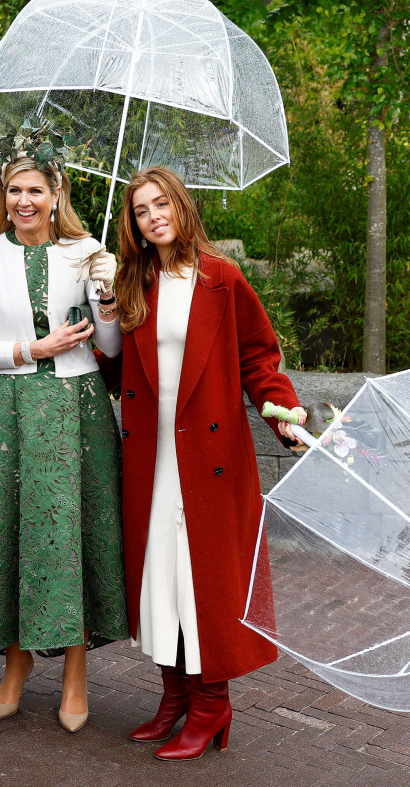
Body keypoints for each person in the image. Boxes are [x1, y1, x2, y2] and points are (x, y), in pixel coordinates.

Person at [114, 167, 305, 761]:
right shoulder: (133, 282)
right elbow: (114, 365)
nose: (153, 216)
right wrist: (100, 316)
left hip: (209, 455)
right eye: (142, 210)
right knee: (160, 575)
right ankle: (174, 698)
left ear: (181, 207)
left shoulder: (220, 279)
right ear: (136, 226)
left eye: (161, 203)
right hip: (151, 452)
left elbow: (258, 358)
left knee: (204, 581)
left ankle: (211, 704)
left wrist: (286, 415)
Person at [0, 144, 127, 733]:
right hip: (11, 411)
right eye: (14, 191)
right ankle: (16, 664)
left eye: (36, 191)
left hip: (78, 411)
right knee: (10, 539)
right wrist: (34, 349)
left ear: (57, 196)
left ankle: (76, 673)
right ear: (4, 197)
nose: (24, 201)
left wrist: (108, 295)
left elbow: (109, 350)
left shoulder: (88, 253)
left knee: (71, 538)